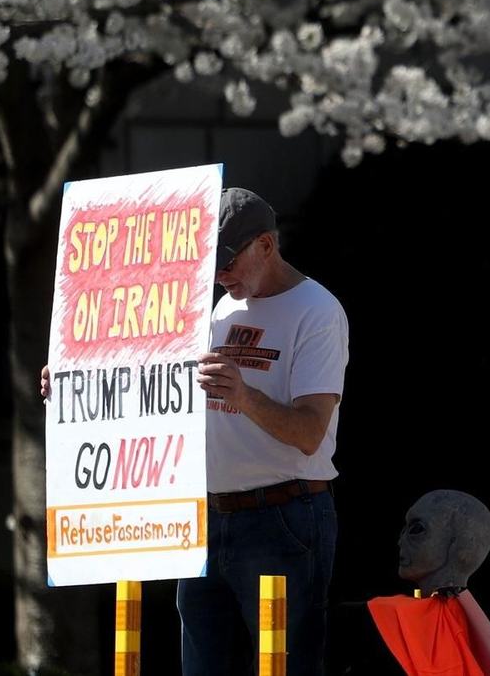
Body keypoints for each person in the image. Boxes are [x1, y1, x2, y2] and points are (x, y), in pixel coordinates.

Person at [181, 187, 350, 676]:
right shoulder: (220, 308)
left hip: (283, 519)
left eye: (229, 262)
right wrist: (75, 379)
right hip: (209, 519)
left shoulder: (317, 311)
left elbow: (310, 432)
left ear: (266, 246)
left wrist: (244, 395)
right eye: (211, 267)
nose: (220, 277)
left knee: (287, 668)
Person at [368, 489, 490, 676]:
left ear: (458, 547)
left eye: (417, 530)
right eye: (405, 529)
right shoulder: (465, 621)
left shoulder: (385, 614)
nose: (401, 540)